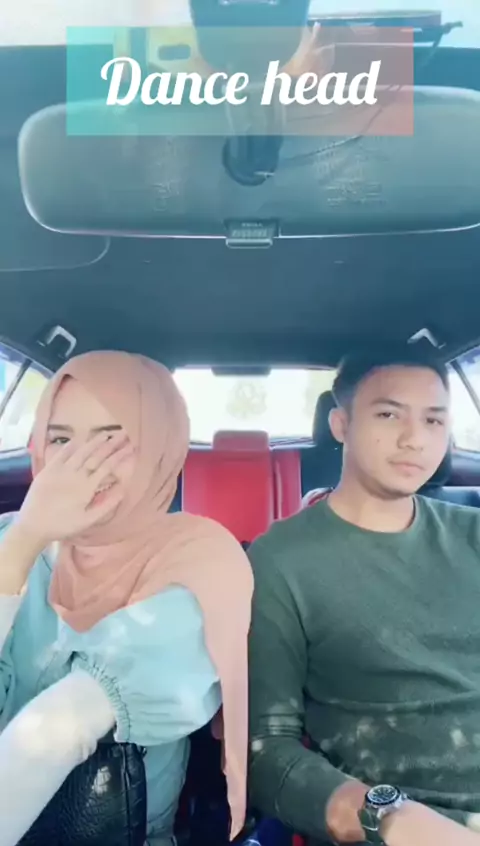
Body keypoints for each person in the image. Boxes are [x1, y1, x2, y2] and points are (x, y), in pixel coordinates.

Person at [0, 350, 253, 846]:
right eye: (60, 439)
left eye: (112, 441)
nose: (81, 464)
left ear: (160, 447)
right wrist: (25, 543)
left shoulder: (201, 558)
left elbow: (62, 727)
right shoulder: (12, 535)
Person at [247, 344, 480, 846]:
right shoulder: (281, 560)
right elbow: (266, 750)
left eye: (434, 420)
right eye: (389, 414)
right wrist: (387, 817)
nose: (415, 438)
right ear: (340, 425)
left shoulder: (473, 533)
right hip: (412, 823)